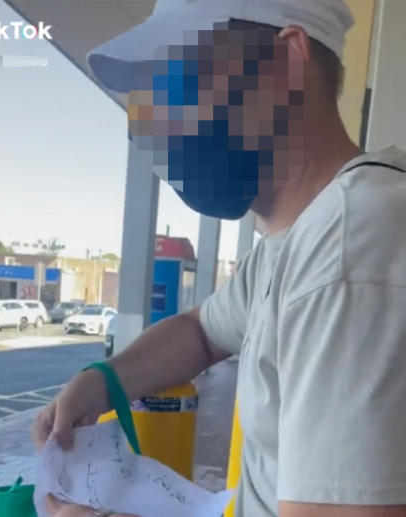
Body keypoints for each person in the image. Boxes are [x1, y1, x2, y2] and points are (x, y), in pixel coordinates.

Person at [33, 1, 406, 516]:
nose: (159, 118)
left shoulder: (349, 243)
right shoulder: (291, 242)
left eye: (181, 78)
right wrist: (103, 382)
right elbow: (201, 331)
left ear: (287, 63)